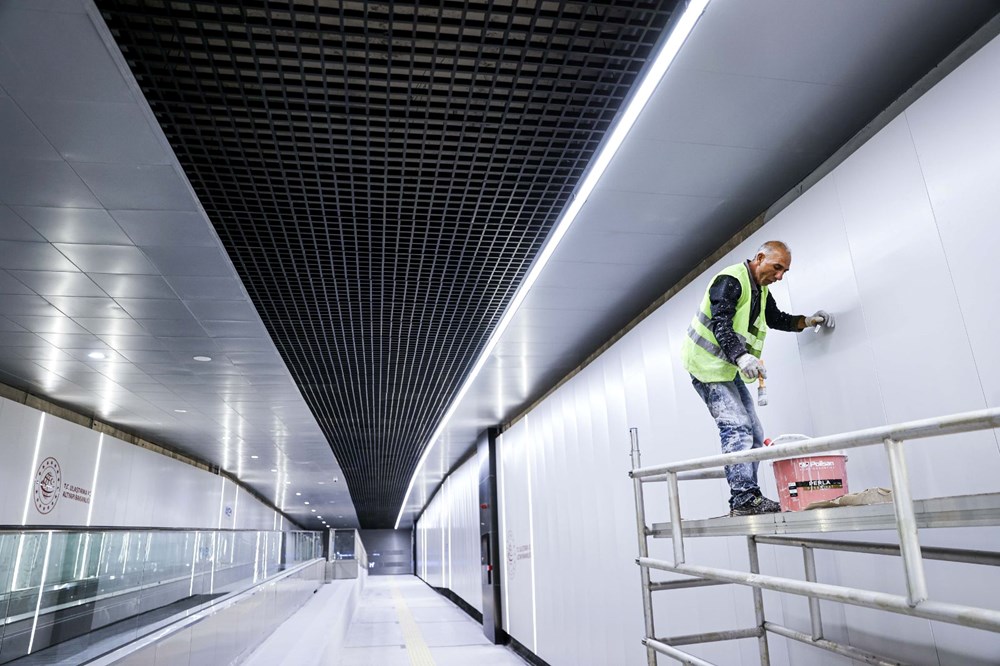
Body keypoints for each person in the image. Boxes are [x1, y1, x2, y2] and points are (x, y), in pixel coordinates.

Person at [681, 241, 834, 516]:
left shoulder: (760, 291)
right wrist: (741, 356)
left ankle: (749, 497)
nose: (779, 277)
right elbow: (721, 324)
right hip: (706, 366)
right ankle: (743, 499)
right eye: (777, 268)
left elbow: (776, 318)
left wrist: (809, 321)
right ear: (760, 257)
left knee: (755, 434)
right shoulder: (730, 280)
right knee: (737, 427)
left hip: (726, 368)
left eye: (784, 272)